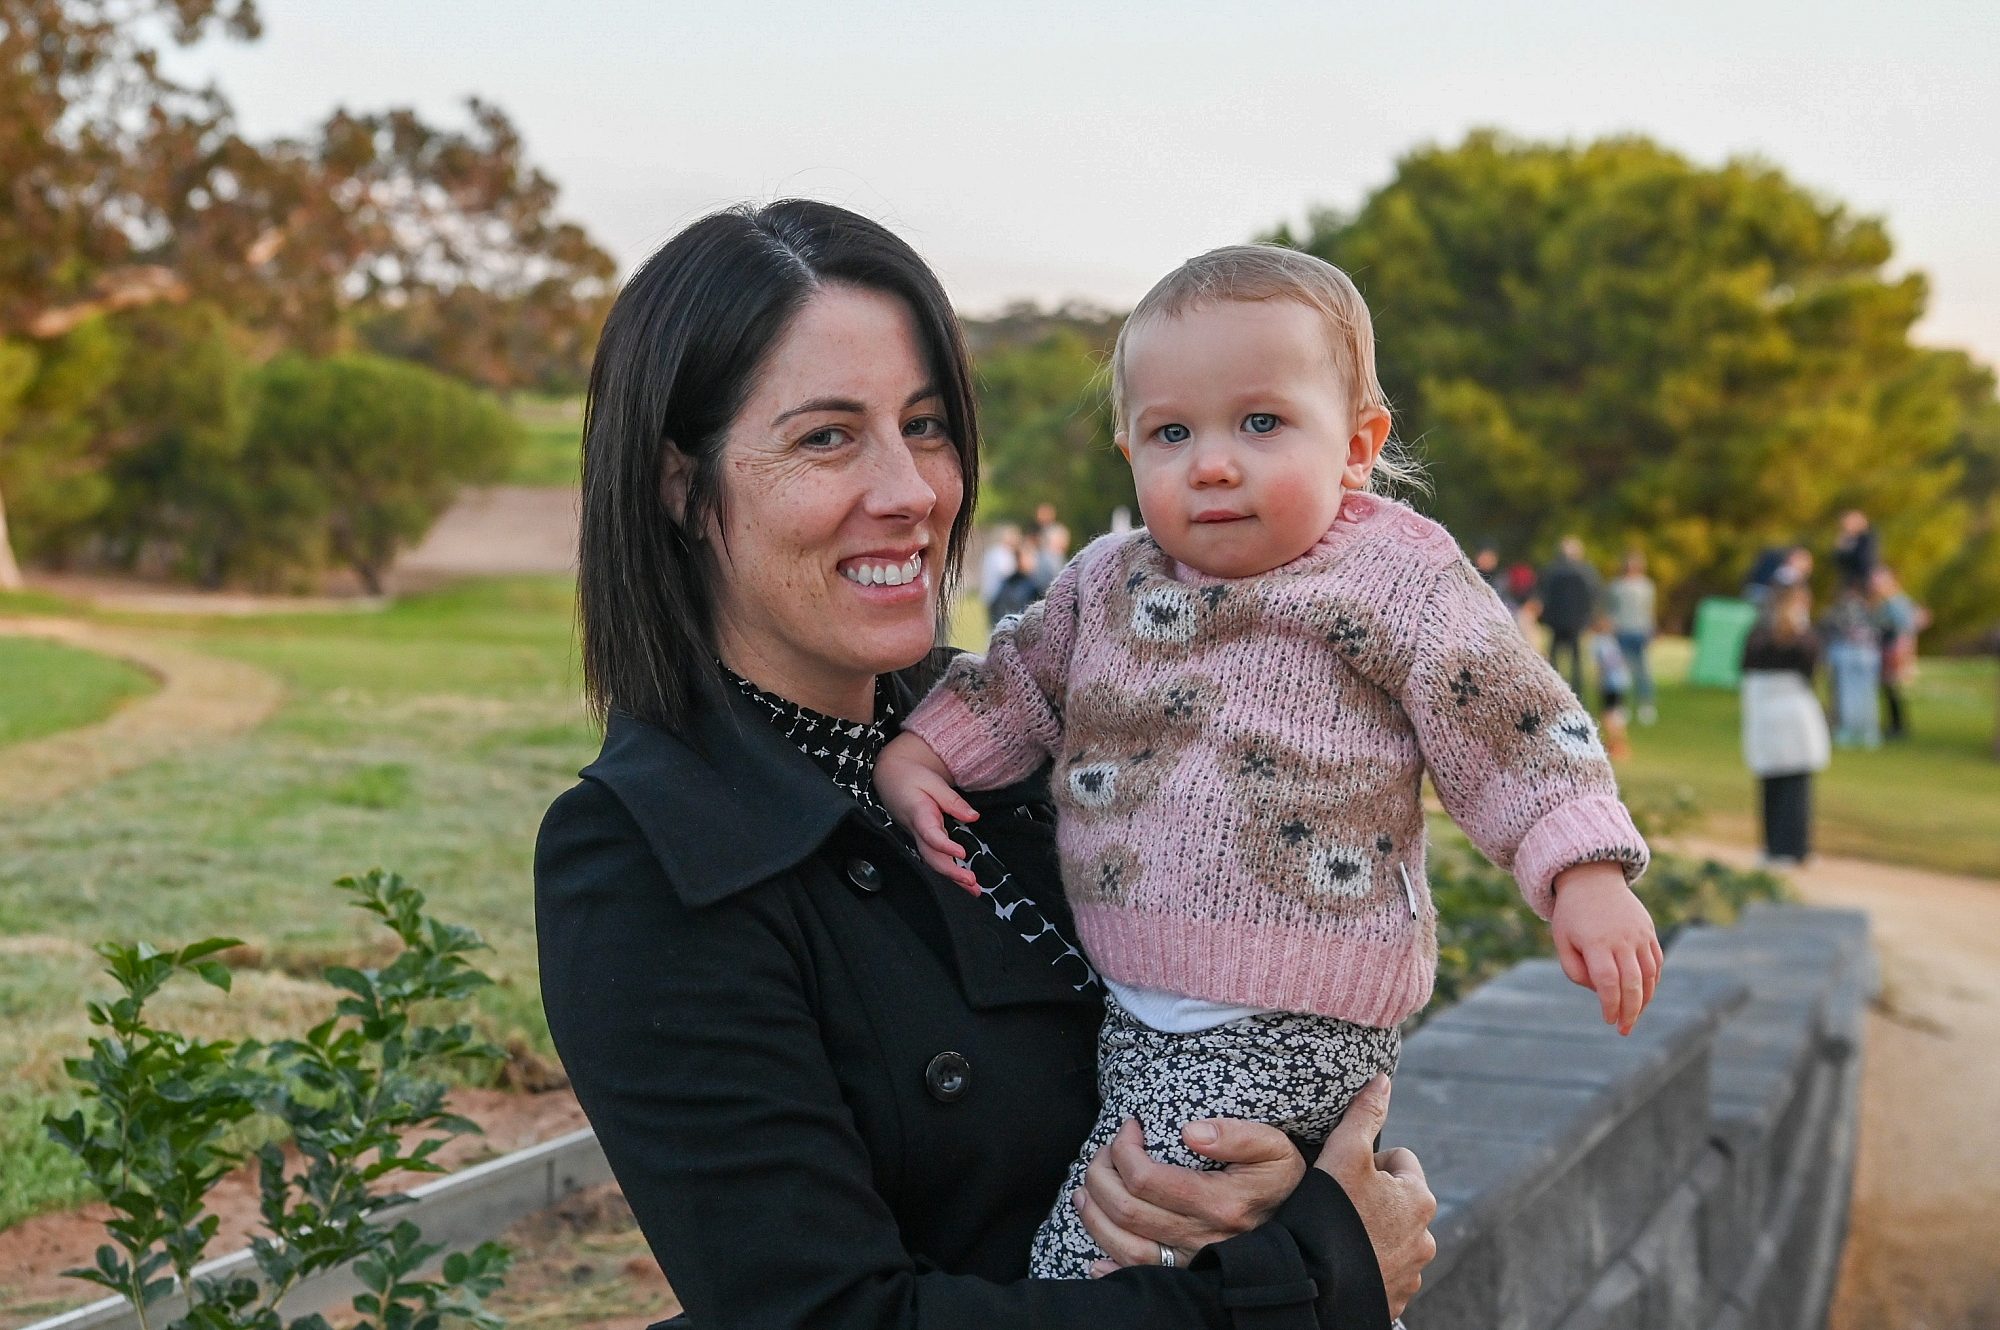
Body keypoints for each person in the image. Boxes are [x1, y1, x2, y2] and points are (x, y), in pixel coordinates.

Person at [536, 201, 1437, 1330]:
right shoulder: (645, 856)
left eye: (924, 425)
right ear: (681, 484)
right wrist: (1300, 1276)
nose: (911, 491)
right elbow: (828, 1317)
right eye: (826, 437)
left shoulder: (1038, 718)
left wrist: (1275, 1179)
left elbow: (1264, 1003)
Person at [873, 244, 1660, 1280]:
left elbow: (1510, 723)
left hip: (1292, 1008)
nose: (1209, 462)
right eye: (1169, 432)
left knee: (1099, 1249)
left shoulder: (1392, 575)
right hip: (1143, 1004)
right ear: (1127, 449)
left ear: (1356, 445)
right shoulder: (1102, 581)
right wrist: (924, 750)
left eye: (1259, 423)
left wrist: (1581, 870)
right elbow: (1019, 681)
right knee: (1190, 1239)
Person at [1740, 577, 1830, 865]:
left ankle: (1786, 847)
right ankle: (1786, 847)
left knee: (1785, 782)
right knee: (1788, 782)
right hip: (1783, 709)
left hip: (1778, 711)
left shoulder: (1764, 634)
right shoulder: (1775, 634)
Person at [1537, 536, 1601, 697]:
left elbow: (1544, 596)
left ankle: (1553, 693)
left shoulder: (1551, 571)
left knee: (1555, 662)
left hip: (1557, 623)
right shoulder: (1586, 572)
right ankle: (1577, 694)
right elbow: (1594, 596)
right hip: (1575, 624)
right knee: (1575, 663)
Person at [1821, 584, 1882, 748]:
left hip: (1857, 655)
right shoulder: (1861, 611)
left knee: (1861, 696)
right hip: (1849, 654)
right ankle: (1854, 731)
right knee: (1848, 696)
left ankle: (1862, 731)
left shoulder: (1866, 612)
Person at [1871, 566, 1924, 740]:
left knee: (1894, 688)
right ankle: (1894, 725)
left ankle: (1898, 727)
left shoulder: (1898, 603)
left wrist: (1902, 656)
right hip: (1886, 649)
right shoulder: (1884, 603)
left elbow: (1905, 633)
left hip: (1893, 650)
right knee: (1889, 689)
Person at [1605, 551, 1657, 725]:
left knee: (1643, 671)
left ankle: (1645, 705)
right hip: (1622, 632)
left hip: (1640, 631)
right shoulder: (1617, 586)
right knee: (1621, 672)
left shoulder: (1646, 586)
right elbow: (1612, 610)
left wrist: (1650, 629)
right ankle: (1621, 706)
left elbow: (1648, 611)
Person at [1591, 615, 1633, 761]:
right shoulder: (1612, 642)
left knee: (1608, 713)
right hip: (1622, 681)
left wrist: (1598, 680)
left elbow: (1602, 664)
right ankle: (1620, 742)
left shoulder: (1598, 643)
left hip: (1609, 683)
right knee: (1618, 712)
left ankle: (1615, 743)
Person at [988, 542, 1044, 623]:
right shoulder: (1011, 583)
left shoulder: (1035, 583)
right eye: (1031, 557)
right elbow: (996, 608)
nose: (1034, 561)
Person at [1832, 509, 1878, 591]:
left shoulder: (1867, 538)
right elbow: (1840, 562)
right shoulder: (1852, 540)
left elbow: (1864, 560)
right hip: (1853, 583)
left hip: (1863, 581)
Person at [980, 524, 1025, 607]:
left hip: (991, 593)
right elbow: (1006, 572)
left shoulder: (993, 551)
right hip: (999, 595)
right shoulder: (1004, 553)